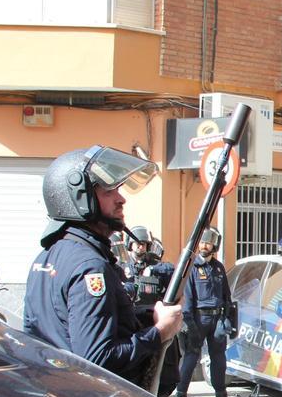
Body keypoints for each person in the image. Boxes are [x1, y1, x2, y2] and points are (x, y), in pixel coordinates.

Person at [24, 146, 182, 382]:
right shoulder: (90, 267)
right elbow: (98, 360)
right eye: (109, 191)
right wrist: (160, 332)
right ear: (80, 197)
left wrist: (145, 317)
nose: (121, 199)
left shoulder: (47, 256)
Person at [176, 226, 235, 397]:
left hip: (216, 320)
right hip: (198, 319)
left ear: (215, 245)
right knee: (191, 358)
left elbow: (226, 295)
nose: (204, 245)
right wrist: (189, 324)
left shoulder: (218, 268)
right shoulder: (191, 266)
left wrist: (228, 318)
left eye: (208, 242)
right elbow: (187, 297)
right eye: (202, 242)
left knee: (219, 359)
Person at [121, 226, 179, 397]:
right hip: (133, 324)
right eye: (138, 244)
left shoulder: (155, 266)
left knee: (163, 369)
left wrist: (152, 270)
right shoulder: (123, 268)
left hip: (153, 321)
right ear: (130, 245)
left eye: (144, 245)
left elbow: (171, 270)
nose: (141, 248)